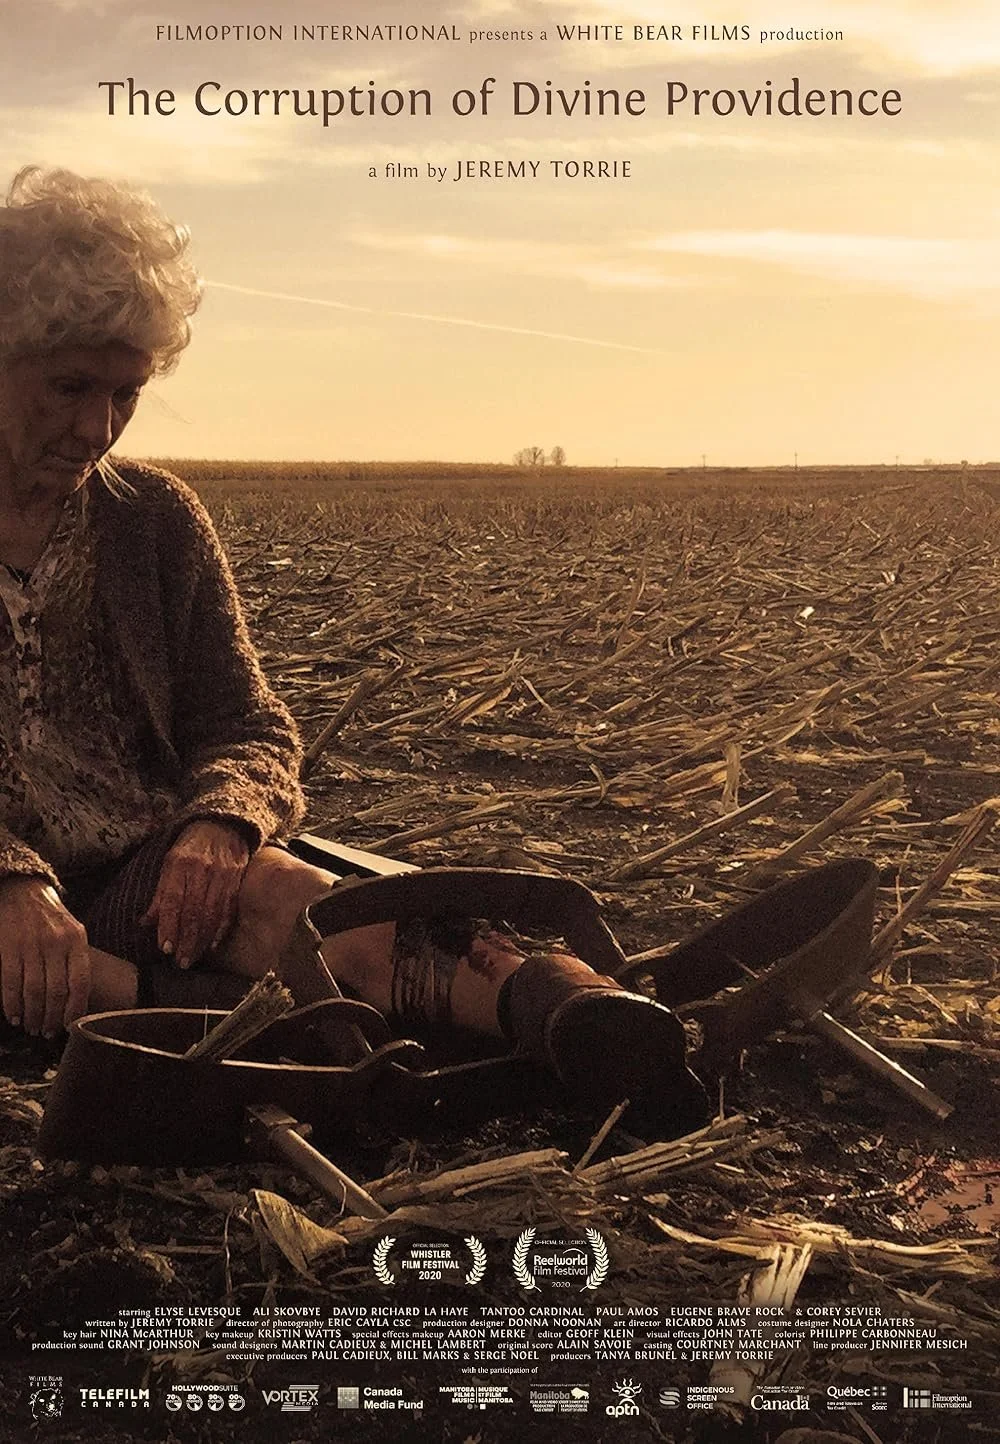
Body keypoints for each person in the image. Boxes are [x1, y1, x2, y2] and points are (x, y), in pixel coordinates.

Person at [0, 166, 705, 1130]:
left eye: (127, 393)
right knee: (40, 965)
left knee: (302, 903)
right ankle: (238, 1026)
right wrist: (11, 877)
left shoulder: (154, 523)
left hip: (141, 882)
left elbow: (247, 725)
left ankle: (572, 1011)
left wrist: (220, 826)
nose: (99, 427)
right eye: (70, 387)